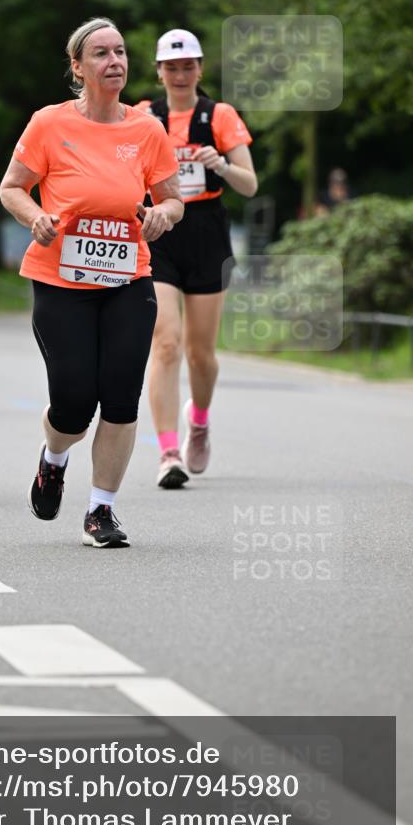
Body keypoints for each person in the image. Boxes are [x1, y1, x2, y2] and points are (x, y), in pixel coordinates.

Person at [0, 17, 183, 548]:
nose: (115, 61)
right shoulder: (48, 123)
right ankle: (54, 458)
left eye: (120, 51)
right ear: (77, 67)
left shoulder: (147, 129)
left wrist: (162, 214)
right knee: (74, 403)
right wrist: (35, 216)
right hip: (60, 280)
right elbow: (12, 187)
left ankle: (101, 510)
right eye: (101, 53)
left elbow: (173, 199)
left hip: (128, 277)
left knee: (122, 398)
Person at [138, 29, 257, 488]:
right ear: (159, 71)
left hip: (207, 231)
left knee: (200, 354)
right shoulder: (145, 116)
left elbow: (250, 184)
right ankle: (168, 452)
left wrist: (221, 165)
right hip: (160, 229)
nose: (180, 74)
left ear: (200, 68)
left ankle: (199, 421)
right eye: (172, 67)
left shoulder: (219, 115)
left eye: (188, 66)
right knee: (165, 342)